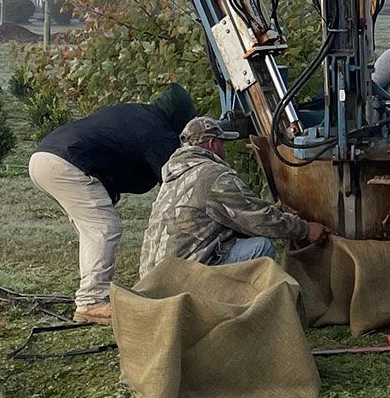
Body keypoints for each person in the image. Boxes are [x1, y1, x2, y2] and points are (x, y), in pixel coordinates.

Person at [29, 84, 196, 325]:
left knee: (93, 231)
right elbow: (174, 177)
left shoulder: (137, 113)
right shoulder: (156, 129)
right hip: (65, 162)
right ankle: (92, 301)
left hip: (43, 158)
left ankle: (92, 295)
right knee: (103, 229)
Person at [139, 115, 326, 276]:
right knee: (262, 247)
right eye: (223, 143)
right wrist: (304, 229)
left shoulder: (173, 177)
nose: (224, 150)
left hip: (155, 278)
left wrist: (274, 210)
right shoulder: (213, 175)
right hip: (184, 280)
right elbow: (257, 219)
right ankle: (237, 307)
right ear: (213, 144)